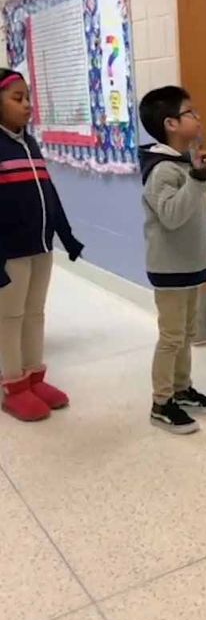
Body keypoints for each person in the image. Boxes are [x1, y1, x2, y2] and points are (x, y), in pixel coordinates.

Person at [139, 86, 206, 434]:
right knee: (172, 336)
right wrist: (198, 179)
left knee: (187, 333)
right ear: (171, 123)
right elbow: (172, 216)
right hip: (171, 269)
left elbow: (189, 212)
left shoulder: (183, 161)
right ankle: (161, 403)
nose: (198, 117)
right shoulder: (162, 170)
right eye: (191, 113)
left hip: (190, 266)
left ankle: (181, 388)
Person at [0, 68, 83, 422]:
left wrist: (66, 236)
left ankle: (34, 377)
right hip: (9, 251)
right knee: (9, 318)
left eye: (28, 97)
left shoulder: (30, 143)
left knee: (34, 314)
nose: (27, 105)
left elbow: (49, 194)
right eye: (17, 99)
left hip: (40, 246)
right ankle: (12, 386)